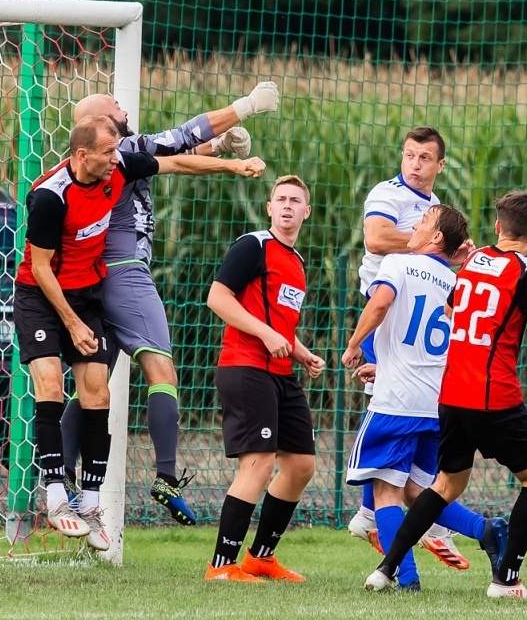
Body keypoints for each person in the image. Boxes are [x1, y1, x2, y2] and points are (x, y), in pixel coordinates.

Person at [16, 115, 262, 550]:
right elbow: (38, 267)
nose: (118, 159)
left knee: (97, 393)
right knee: (50, 385)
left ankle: (90, 504)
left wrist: (233, 166)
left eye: (117, 151)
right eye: (109, 152)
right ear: (81, 155)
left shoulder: (121, 166)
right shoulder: (50, 197)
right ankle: (55, 495)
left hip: (86, 294)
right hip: (42, 296)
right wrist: (71, 324)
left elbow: (179, 163)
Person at [61, 83, 278, 525]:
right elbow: (179, 141)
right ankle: (163, 475)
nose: (121, 106)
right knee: (161, 370)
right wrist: (244, 109)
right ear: (98, 124)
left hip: (98, 275)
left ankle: (63, 473)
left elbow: (175, 160)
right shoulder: (118, 148)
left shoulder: (106, 161)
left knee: (94, 382)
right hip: (125, 273)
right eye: (112, 105)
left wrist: (219, 148)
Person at [365, 191, 527, 599]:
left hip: (452, 395)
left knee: (446, 484)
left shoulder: (473, 261)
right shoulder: (525, 271)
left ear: (498, 227)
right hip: (494, 396)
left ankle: (385, 568)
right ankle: (507, 580)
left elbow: (450, 312)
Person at [341, 205, 507, 591]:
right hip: (435, 403)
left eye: (423, 222)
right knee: (420, 491)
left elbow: (380, 304)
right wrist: (385, 366)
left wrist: (354, 345)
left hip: (396, 402)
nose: (413, 227)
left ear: (435, 237)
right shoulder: (456, 282)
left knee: (385, 490)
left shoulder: (398, 263)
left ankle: (407, 578)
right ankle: (485, 530)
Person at [348, 126, 468, 569]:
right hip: (387, 308)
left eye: (425, 158)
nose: (415, 164)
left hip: (414, 309)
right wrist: (429, 245)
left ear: (440, 165)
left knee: (409, 410)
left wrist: (447, 253)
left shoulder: (435, 209)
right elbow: (376, 239)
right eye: (409, 155)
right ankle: (386, 518)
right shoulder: (389, 193)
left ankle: (384, 516)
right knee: (391, 406)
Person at [203, 176, 325, 583]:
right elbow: (218, 298)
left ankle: (260, 558)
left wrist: (299, 348)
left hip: (281, 371)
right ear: (270, 208)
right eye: (281, 199)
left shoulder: (298, 262)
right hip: (245, 366)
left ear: (306, 212)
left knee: (302, 465)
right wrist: (267, 335)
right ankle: (221, 567)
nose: (288, 205)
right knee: (259, 463)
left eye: (296, 201)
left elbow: (276, 319)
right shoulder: (253, 245)